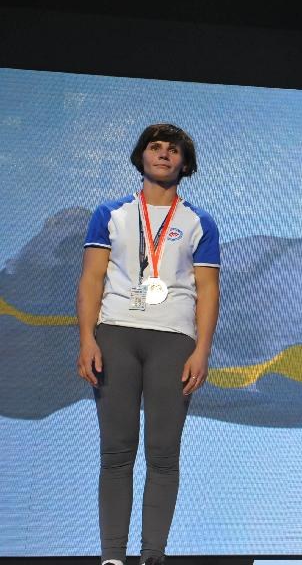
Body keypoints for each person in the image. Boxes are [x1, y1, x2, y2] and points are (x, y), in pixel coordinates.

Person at [76, 123, 220, 565]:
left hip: (174, 341)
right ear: (141, 157)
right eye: (155, 148)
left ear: (184, 163)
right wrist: (86, 339)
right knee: (116, 452)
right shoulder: (111, 213)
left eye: (172, 150)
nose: (163, 155)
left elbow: (209, 291)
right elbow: (92, 280)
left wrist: (202, 350)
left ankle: (152, 555)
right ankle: (112, 558)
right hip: (116, 334)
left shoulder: (199, 222)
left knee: (163, 454)